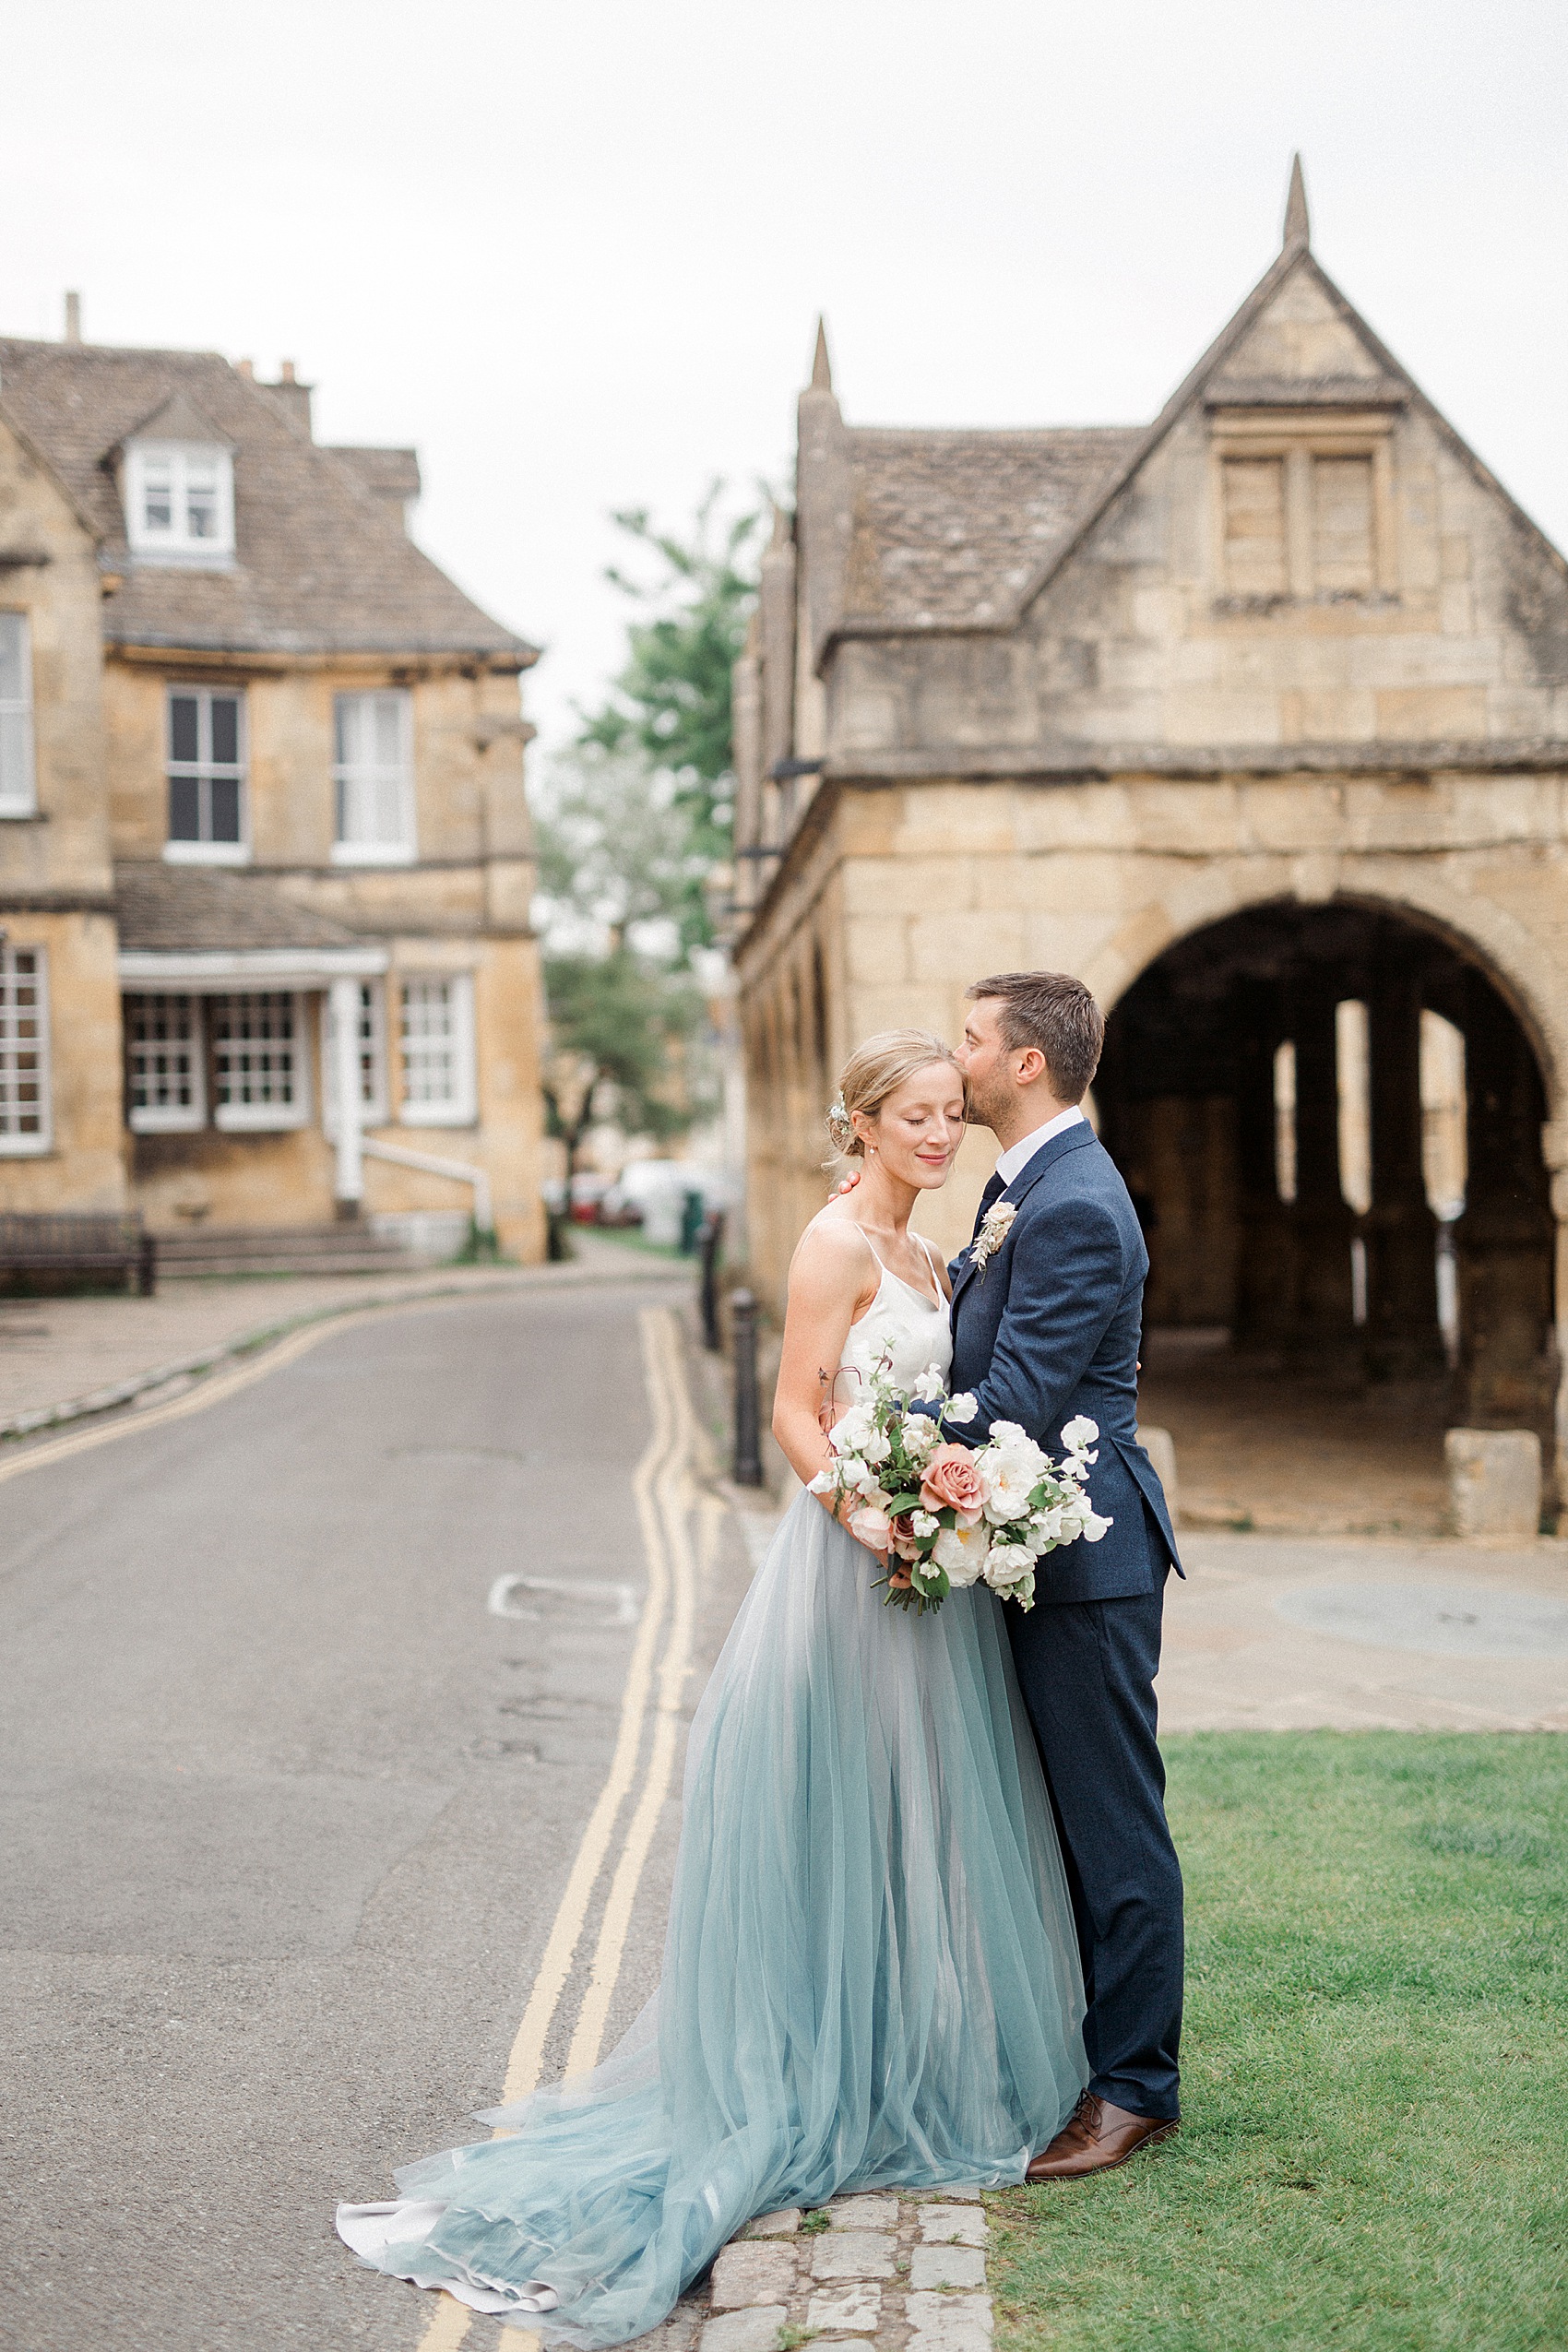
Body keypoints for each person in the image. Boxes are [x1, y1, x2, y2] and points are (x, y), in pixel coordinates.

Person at [338, 1029, 1088, 2347]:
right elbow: (796, 1406)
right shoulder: (835, 1244)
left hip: (932, 1582)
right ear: (860, 1122)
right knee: (841, 1819)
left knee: (917, 1826)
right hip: (850, 1573)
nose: (935, 1133)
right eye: (911, 1115)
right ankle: (815, 2085)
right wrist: (868, 1515)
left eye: (946, 1114)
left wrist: (954, 1503)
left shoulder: (929, 1250)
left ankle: (892, 2069)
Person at [942, 970, 1185, 2178]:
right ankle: (1085, 2052)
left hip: (1083, 1559)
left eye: (973, 1039)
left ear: (1026, 1062)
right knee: (1061, 1821)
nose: (959, 1058)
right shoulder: (1024, 1187)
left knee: (1111, 1825)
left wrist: (891, 1425)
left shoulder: (1075, 1200)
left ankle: (1136, 2085)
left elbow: (1020, 1402)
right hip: (1039, 1548)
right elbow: (992, 1329)